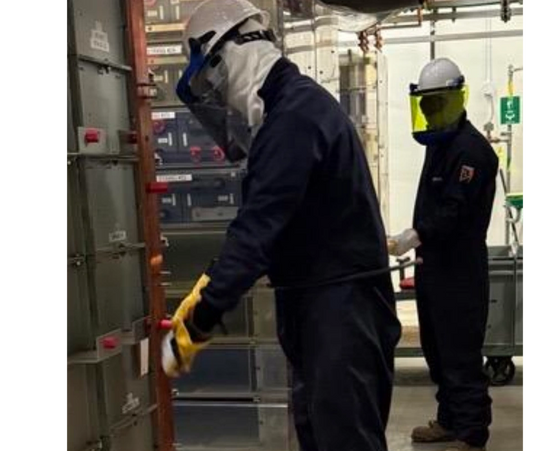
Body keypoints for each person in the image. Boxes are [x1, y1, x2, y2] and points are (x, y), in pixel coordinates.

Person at [164, 1, 402, 450]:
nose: (220, 99)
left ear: (228, 56)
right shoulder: (292, 110)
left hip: (341, 310)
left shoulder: (295, 117)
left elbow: (258, 229)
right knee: (321, 434)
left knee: (344, 440)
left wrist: (200, 316)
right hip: (321, 303)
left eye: (213, 84)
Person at [389, 58, 499, 451]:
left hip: (459, 271)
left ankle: (472, 432)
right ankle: (450, 420)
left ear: (454, 100)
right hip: (434, 267)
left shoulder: (472, 151)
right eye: (426, 104)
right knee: (437, 351)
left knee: (459, 353)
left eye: (436, 103)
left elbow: (454, 210)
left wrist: (415, 235)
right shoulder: (440, 144)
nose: (430, 111)